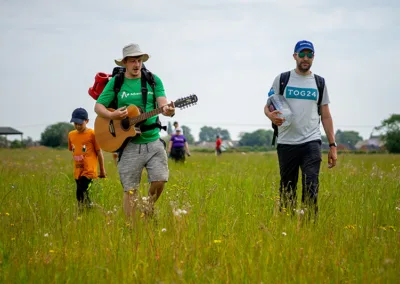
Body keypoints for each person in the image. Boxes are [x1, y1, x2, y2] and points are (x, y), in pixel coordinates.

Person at [94, 43, 175, 219]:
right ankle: (131, 228)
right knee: (130, 190)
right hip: (129, 144)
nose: (137, 64)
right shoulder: (117, 82)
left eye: (139, 60)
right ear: (125, 63)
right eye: (132, 61)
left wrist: (168, 110)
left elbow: (163, 102)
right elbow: (98, 106)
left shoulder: (153, 80)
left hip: (153, 139)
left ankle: (147, 207)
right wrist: (112, 114)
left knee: (160, 179)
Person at [264, 40, 337, 218]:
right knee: (287, 189)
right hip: (286, 141)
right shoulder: (282, 79)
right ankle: (287, 228)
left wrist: (333, 145)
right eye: (302, 54)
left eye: (309, 55)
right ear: (295, 56)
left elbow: (326, 115)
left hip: (311, 141)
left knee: (311, 186)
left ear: (313, 57)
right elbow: (268, 106)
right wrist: (270, 115)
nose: (305, 58)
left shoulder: (319, 82)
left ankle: (309, 227)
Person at [68, 107, 106, 209]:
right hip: (77, 171)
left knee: (81, 192)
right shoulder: (71, 135)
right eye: (75, 123)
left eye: (80, 123)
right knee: (81, 196)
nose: (78, 126)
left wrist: (102, 170)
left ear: (87, 121)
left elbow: (99, 152)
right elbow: (73, 149)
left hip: (89, 171)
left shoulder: (92, 134)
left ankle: (87, 210)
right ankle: (89, 210)